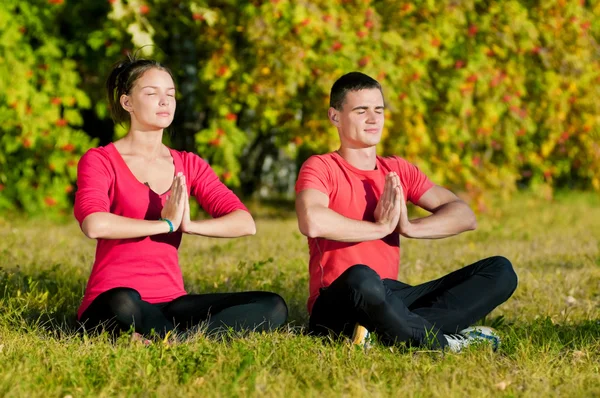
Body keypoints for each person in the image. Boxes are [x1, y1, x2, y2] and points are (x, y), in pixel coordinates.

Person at [294, 72, 517, 351]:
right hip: (339, 301)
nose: (373, 119)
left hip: (391, 296)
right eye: (361, 110)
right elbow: (312, 220)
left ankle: (384, 333)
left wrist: (408, 227)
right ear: (335, 116)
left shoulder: (397, 169)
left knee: (499, 271)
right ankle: (441, 342)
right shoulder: (321, 166)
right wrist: (380, 228)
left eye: (379, 110)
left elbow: (464, 215)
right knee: (362, 277)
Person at [74, 56, 287, 338]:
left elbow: (244, 222)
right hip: (115, 301)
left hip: (172, 302)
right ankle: (164, 336)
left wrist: (189, 225)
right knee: (123, 301)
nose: (165, 102)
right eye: (152, 94)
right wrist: (166, 225)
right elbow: (94, 224)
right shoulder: (101, 160)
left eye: (170, 94)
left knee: (272, 305)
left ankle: (173, 340)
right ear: (127, 103)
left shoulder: (188, 164)